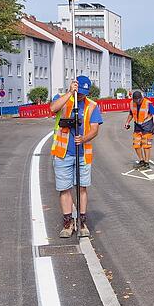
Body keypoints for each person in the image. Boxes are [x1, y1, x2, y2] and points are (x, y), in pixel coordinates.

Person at [49, 76, 103, 238]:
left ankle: (82, 220)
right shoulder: (62, 99)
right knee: (64, 188)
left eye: (84, 93)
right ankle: (68, 222)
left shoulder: (92, 106)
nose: (81, 96)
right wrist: (70, 93)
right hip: (63, 153)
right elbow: (53, 108)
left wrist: (84, 138)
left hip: (82, 154)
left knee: (82, 187)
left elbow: (94, 129)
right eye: (79, 92)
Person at [125, 91, 154, 170]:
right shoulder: (132, 103)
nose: (137, 102)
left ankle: (146, 162)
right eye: (135, 100)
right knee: (136, 145)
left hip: (147, 126)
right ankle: (141, 161)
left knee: (146, 145)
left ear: (141, 98)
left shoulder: (147, 103)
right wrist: (127, 122)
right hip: (137, 127)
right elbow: (131, 114)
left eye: (138, 100)